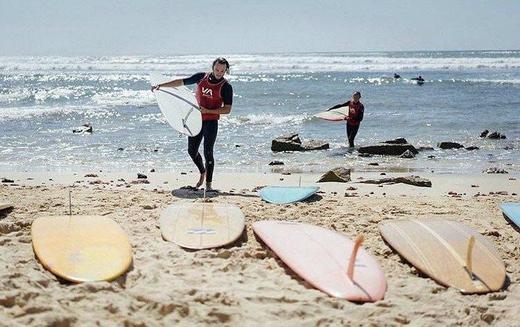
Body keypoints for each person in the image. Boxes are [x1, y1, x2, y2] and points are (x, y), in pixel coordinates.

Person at [151, 57, 233, 191]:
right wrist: (161, 85)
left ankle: (209, 185)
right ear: (212, 67)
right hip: (196, 120)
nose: (219, 72)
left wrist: (208, 110)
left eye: (222, 71)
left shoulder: (226, 86)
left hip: (211, 122)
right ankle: (202, 171)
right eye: (217, 69)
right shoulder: (201, 77)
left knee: (208, 152)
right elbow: (181, 82)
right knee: (192, 151)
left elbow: (227, 109)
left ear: (226, 71)